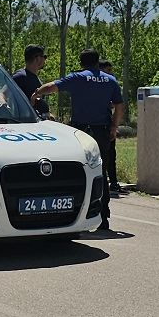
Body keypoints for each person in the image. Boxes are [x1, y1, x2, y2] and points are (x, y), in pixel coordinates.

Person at [32, 49, 123, 229]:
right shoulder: (110, 80)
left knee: (77, 172)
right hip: (102, 132)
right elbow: (119, 107)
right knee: (101, 172)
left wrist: (37, 94)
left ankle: (76, 214)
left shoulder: (77, 78)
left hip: (80, 133)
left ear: (81, 63)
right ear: (97, 62)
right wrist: (114, 126)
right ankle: (103, 216)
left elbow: (52, 87)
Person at [98, 59, 128, 196]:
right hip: (99, 125)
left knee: (111, 154)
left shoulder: (110, 84)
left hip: (108, 123)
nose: (110, 73)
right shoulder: (98, 84)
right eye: (108, 70)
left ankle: (113, 182)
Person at [11, 45, 49, 119]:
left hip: (37, 121)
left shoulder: (34, 77)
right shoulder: (20, 76)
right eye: (44, 57)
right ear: (37, 58)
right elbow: (1, 94)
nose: (45, 60)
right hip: (25, 121)